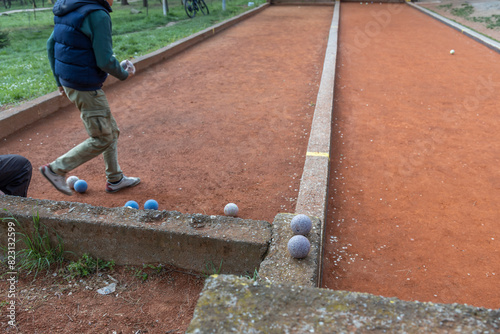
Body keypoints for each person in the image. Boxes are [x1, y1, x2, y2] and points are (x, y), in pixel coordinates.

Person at [42, 0, 139, 196]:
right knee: (103, 137)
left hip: (70, 81)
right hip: (85, 86)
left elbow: (51, 44)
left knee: (111, 130)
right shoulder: (98, 14)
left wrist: (58, 80)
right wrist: (123, 73)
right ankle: (55, 169)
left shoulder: (68, 7)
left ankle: (115, 179)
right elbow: (104, 60)